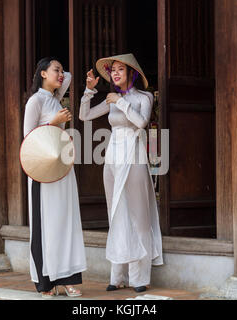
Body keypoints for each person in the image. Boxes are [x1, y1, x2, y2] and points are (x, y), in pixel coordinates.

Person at [79, 54, 163, 293]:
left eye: (119, 70)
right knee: (116, 213)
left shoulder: (143, 97)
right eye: (112, 70)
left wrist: (121, 102)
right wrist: (88, 91)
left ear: (131, 73)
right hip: (113, 158)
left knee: (139, 216)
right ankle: (117, 275)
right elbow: (84, 116)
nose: (114, 74)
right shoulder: (110, 98)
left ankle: (140, 277)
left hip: (134, 156)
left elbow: (141, 122)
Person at [24, 57, 87, 298]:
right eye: (55, 70)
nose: (62, 74)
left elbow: (68, 78)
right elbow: (27, 136)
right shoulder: (36, 101)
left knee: (64, 221)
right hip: (42, 170)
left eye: (61, 70)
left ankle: (68, 278)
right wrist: (54, 122)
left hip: (62, 167)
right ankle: (45, 283)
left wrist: (57, 74)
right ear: (42, 73)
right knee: (44, 224)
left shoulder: (53, 98)